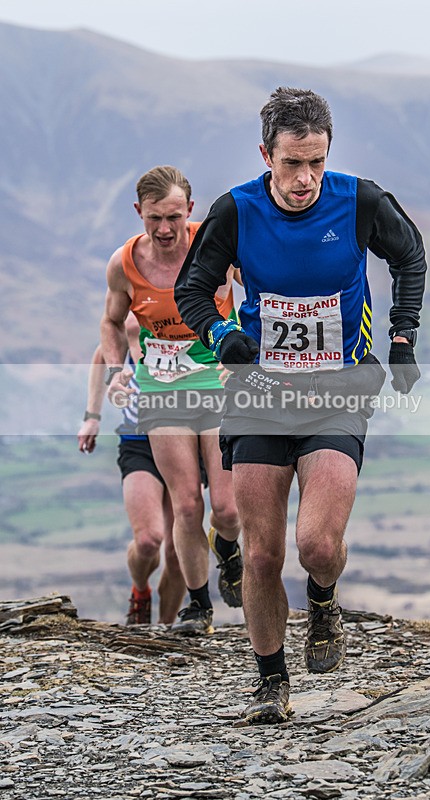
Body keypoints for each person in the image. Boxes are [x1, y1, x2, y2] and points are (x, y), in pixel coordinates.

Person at [175, 87, 427, 723]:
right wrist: (220, 336)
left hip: (337, 391)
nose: (305, 179)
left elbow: (410, 255)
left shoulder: (360, 200)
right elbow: (193, 288)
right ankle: (270, 679)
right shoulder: (235, 211)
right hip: (259, 398)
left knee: (317, 542)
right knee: (262, 552)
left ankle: (322, 598)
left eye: (316, 161)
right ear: (267, 154)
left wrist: (401, 337)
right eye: (292, 163)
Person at [100, 165, 243, 637]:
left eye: (174, 217)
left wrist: (242, 345)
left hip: (215, 382)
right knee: (185, 505)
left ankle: (229, 549)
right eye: (154, 218)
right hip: (161, 387)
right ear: (139, 212)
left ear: (191, 211)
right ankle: (199, 607)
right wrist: (121, 365)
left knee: (226, 508)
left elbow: (259, 291)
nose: (164, 229)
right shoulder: (124, 264)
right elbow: (111, 322)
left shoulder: (214, 245)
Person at [77, 314, 186, 625]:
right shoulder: (136, 298)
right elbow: (103, 351)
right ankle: (140, 590)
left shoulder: (200, 288)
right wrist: (92, 415)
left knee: (178, 552)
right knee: (150, 540)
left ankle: (164, 631)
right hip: (139, 438)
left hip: (188, 437)